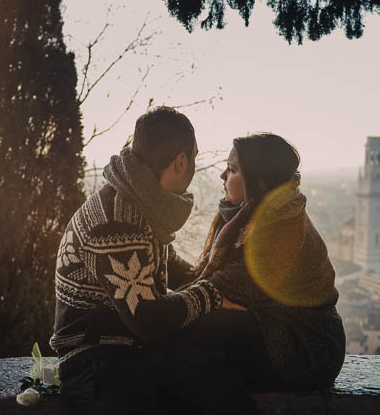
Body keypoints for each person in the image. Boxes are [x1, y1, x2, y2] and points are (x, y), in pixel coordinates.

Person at [50, 107, 247, 415]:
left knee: (220, 379)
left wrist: (222, 282)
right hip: (95, 362)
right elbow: (147, 319)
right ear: (181, 162)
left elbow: (172, 270)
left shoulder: (138, 203)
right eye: (194, 159)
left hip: (125, 349)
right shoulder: (117, 221)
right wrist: (211, 294)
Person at [187, 133, 346, 390]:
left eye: (232, 169)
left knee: (189, 322)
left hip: (305, 351)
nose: (222, 177)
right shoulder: (257, 216)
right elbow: (210, 288)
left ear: (259, 182)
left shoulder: (279, 230)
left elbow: (213, 289)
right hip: (277, 330)